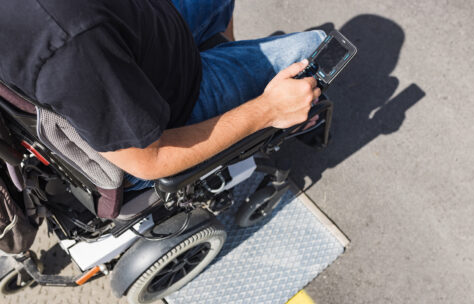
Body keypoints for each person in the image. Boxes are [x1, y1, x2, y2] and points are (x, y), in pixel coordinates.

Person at [0, 1, 325, 190]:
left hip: (140, 44)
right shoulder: (72, 47)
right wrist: (267, 110)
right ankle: (250, 107)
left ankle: (229, 64)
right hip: (172, 113)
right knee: (318, 47)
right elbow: (149, 161)